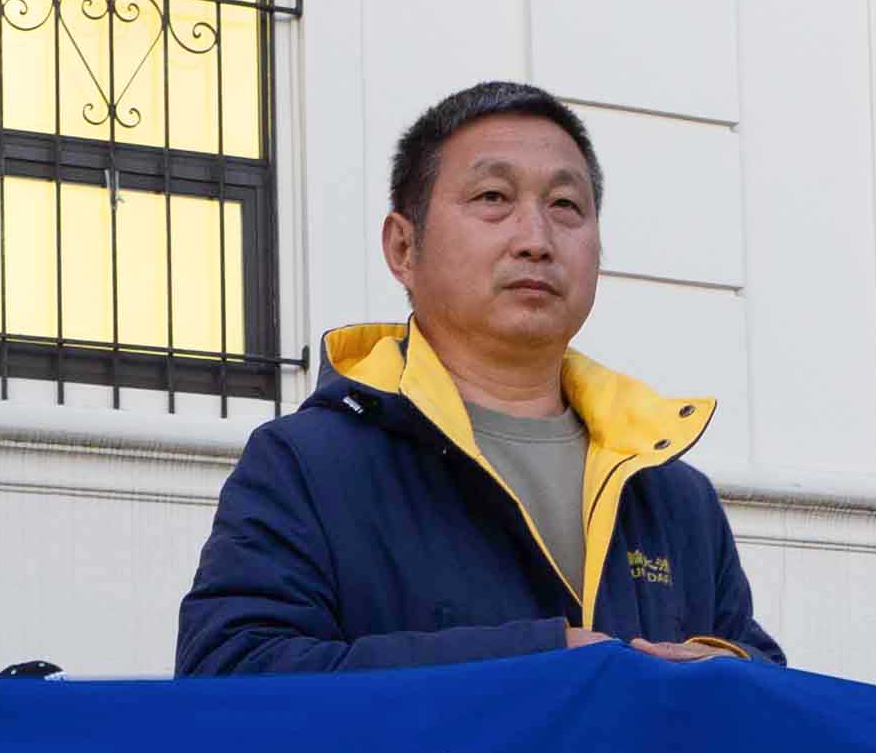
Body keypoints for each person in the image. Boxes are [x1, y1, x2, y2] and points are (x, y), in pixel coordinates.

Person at [174, 82, 767, 672]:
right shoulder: (308, 464)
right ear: (403, 248)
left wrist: (724, 672)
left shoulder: (672, 495)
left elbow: (768, 682)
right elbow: (231, 673)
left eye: (565, 206)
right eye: (492, 197)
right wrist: (535, 663)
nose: (536, 240)